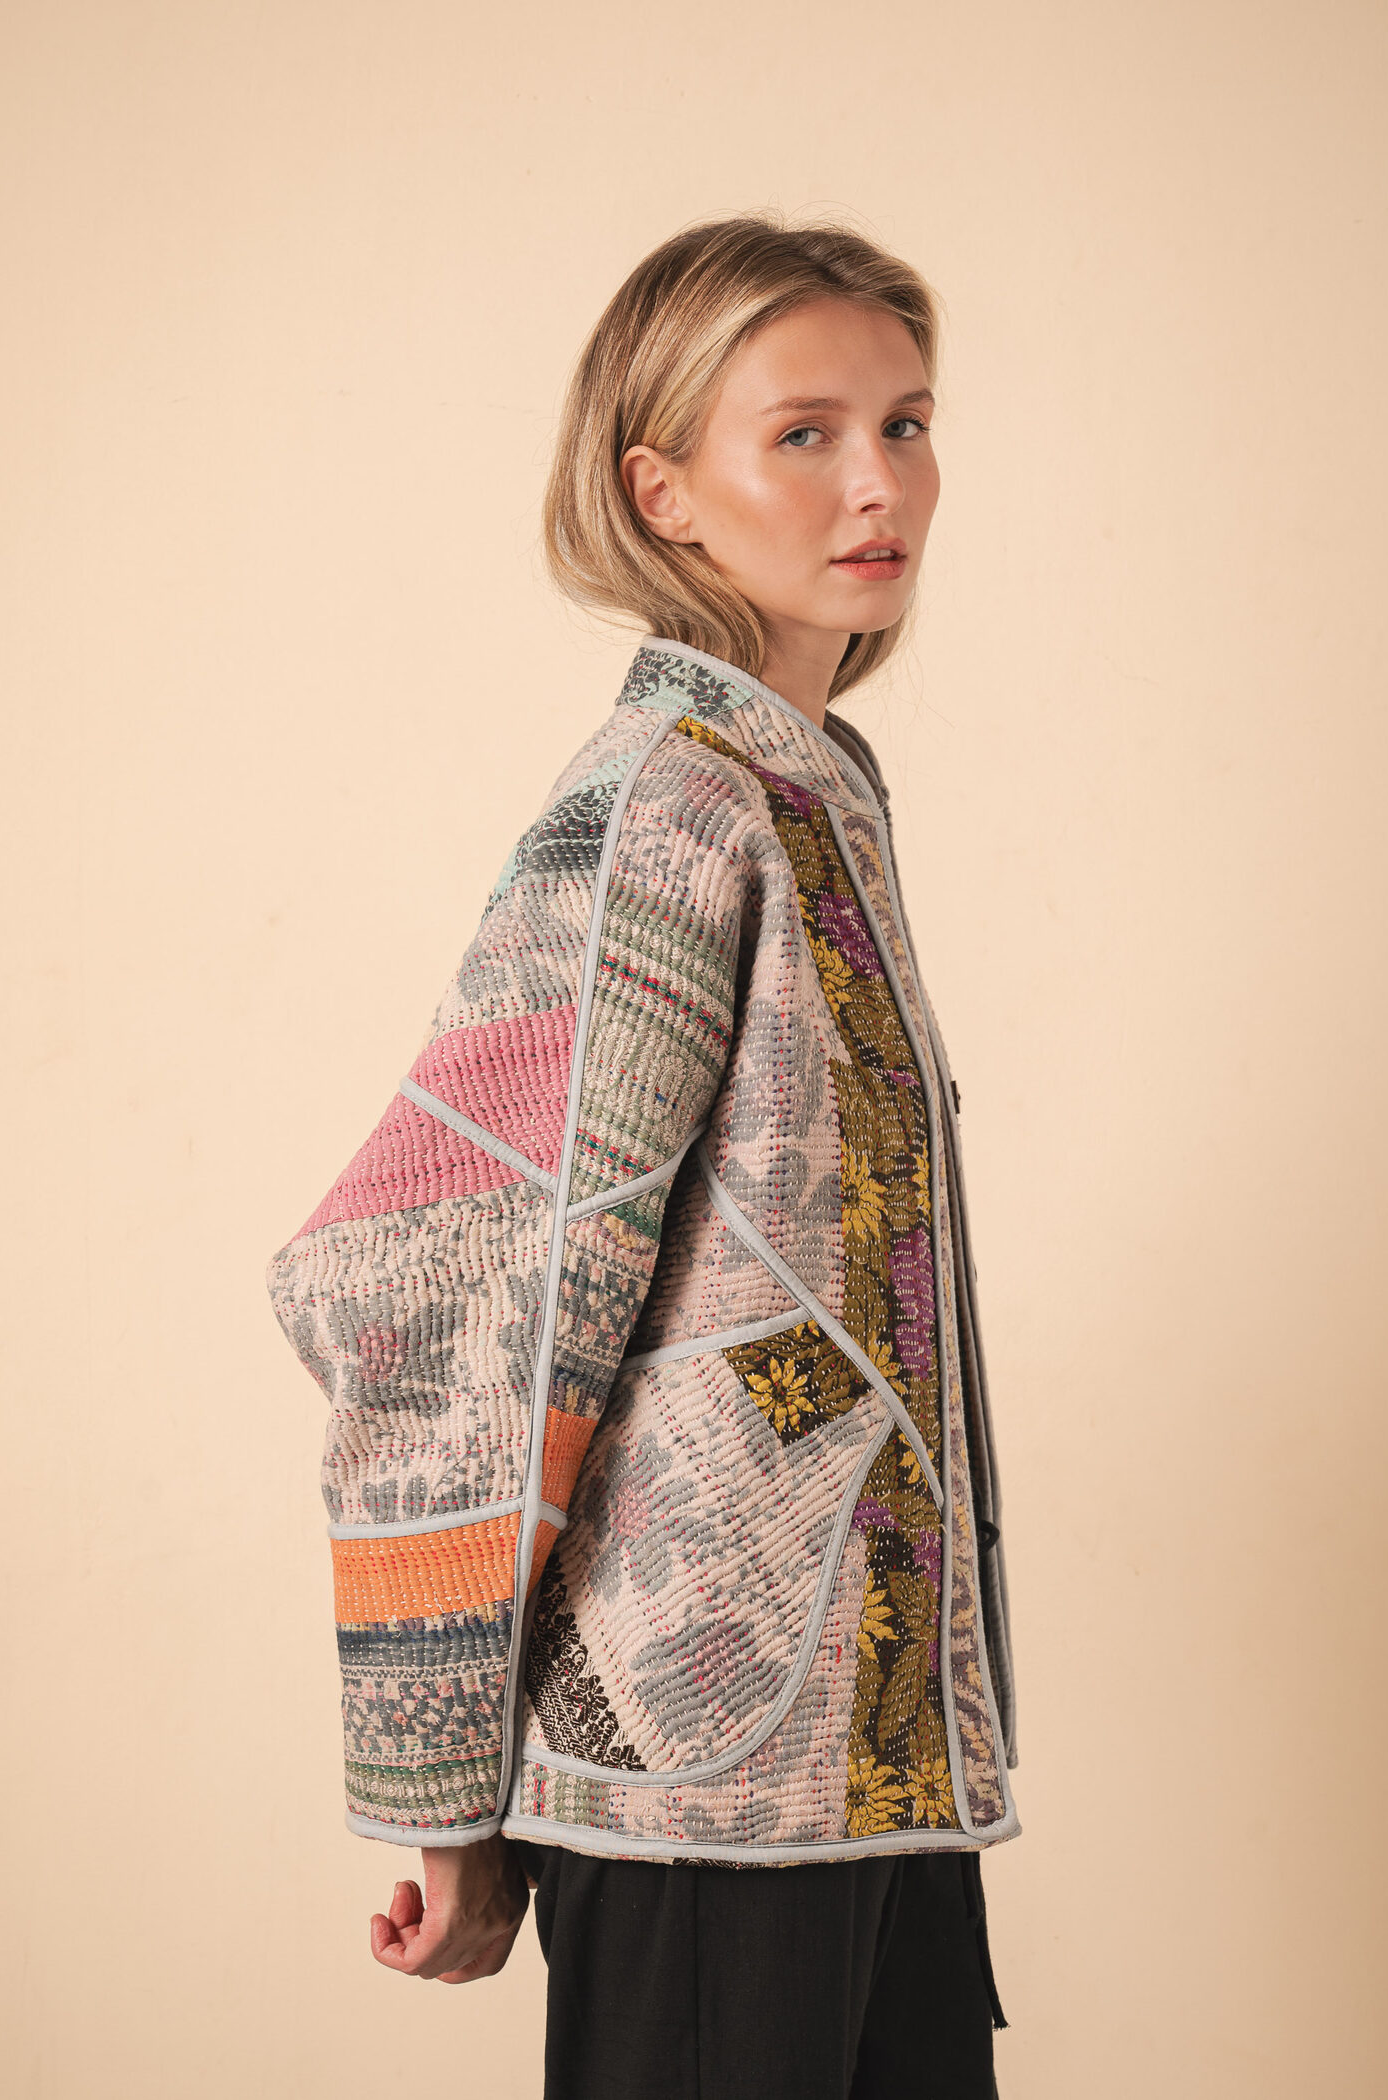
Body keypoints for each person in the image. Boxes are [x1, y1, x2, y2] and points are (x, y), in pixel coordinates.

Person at [266, 212, 1021, 2098]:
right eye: (805, 433)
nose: (880, 483)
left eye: (907, 423)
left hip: (864, 1761)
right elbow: (456, 1270)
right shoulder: (666, 808)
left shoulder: (809, 786)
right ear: (658, 491)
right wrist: (444, 1797)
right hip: (701, 1772)